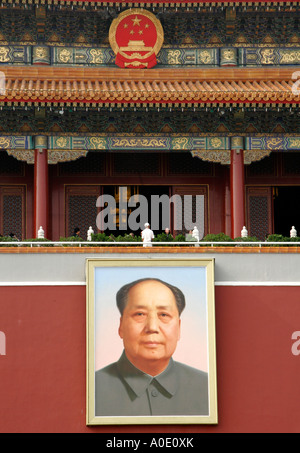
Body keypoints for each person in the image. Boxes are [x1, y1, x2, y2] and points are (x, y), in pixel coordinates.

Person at [95, 278, 209, 417]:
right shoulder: (92, 389)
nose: (152, 327)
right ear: (121, 326)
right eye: (140, 314)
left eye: (163, 315)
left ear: (179, 328)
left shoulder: (208, 388)